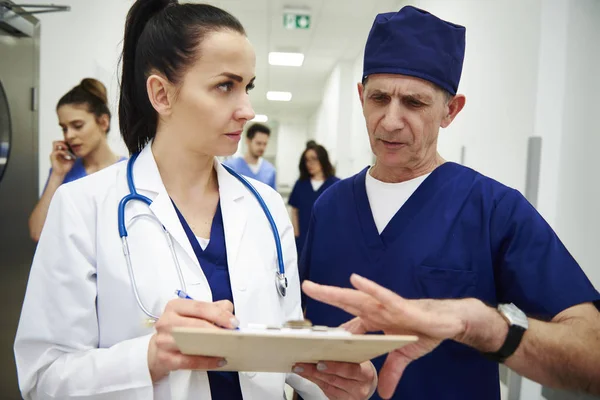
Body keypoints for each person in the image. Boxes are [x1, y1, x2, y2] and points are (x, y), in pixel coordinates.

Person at [13, 1, 376, 399]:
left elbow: (282, 351)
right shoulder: (83, 207)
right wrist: (149, 358)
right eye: (226, 86)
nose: (247, 110)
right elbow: (42, 377)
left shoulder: (267, 207)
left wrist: (333, 378)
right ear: (162, 94)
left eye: (248, 87)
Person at [299, 6, 600, 400]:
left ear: (450, 110)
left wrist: (487, 327)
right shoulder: (329, 206)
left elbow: (591, 354)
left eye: (414, 103)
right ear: (361, 97)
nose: (390, 120)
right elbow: (302, 323)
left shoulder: (492, 209)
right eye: (379, 98)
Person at [28, 78, 125, 242]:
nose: (69, 136)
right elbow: (37, 232)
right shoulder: (62, 173)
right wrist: (57, 175)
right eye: (64, 128)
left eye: (77, 125)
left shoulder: (127, 172)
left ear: (103, 122)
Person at [289, 143, 339, 255]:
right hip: (303, 240)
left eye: (314, 159)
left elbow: (340, 214)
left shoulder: (336, 185)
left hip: (328, 240)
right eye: (307, 160)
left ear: (323, 159)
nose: (310, 164)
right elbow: (294, 210)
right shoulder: (301, 184)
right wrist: (296, 234)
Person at [224, 122, 277, 189]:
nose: (262, 147)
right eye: (258, 143)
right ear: (248, 141)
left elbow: (272, 196)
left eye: (265, 144)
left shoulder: (270, 170)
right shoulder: (230, 167)